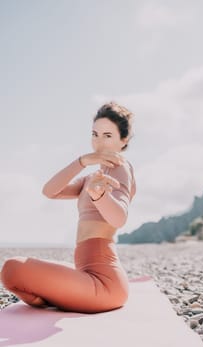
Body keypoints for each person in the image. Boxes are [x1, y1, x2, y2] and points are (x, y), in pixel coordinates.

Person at [0, 101, 136, 313]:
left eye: (107, 136)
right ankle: (59, 299)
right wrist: (82, 161)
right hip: (85, 274)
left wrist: (99, 196)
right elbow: (50, 191)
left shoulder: (120, 168)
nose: (99, 143)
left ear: (124, 140)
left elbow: (119, 218)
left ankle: (56, 299)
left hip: (105, 284)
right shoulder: (92, 177)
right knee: (12, 271)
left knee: (13, 268)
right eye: (95, 134)